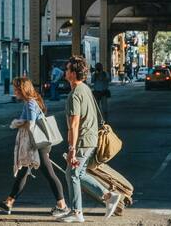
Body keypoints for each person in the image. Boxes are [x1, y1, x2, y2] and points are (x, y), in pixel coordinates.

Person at [0, 77, 69, 218]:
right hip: (36, 144)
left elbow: (31, 124)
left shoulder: (30, 103)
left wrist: (18, 123)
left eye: (16, 88)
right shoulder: (30, 102)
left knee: (50, 175)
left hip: (38, 145)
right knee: (22, 172)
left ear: (23, 89)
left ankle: (63, 206)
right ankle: (9, 202)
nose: (15, 91)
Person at [60, 56, 121, 223]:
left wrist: (71, 150)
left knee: (71, 173)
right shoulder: (86, 89)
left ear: (73, 73)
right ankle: (108, 196)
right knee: (78, 173)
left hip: (83, 141)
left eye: (67, 69)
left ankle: (76, 211)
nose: (65, 72)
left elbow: (74, 124)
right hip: (92, 139)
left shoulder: (74, 95)